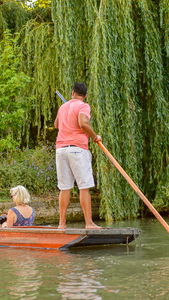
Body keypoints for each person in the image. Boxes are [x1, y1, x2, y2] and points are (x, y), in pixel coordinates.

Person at [54, 82, 102, 229]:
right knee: (84, 187)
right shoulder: (84, 106)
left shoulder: (63, 107)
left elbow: (56, 125)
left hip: (61, 149)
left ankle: (62, 224)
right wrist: (94, 136)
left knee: (65, 187)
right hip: (77, 149)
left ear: (72, 92)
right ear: (85, 96)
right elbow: (83, 123)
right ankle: (89, 223)